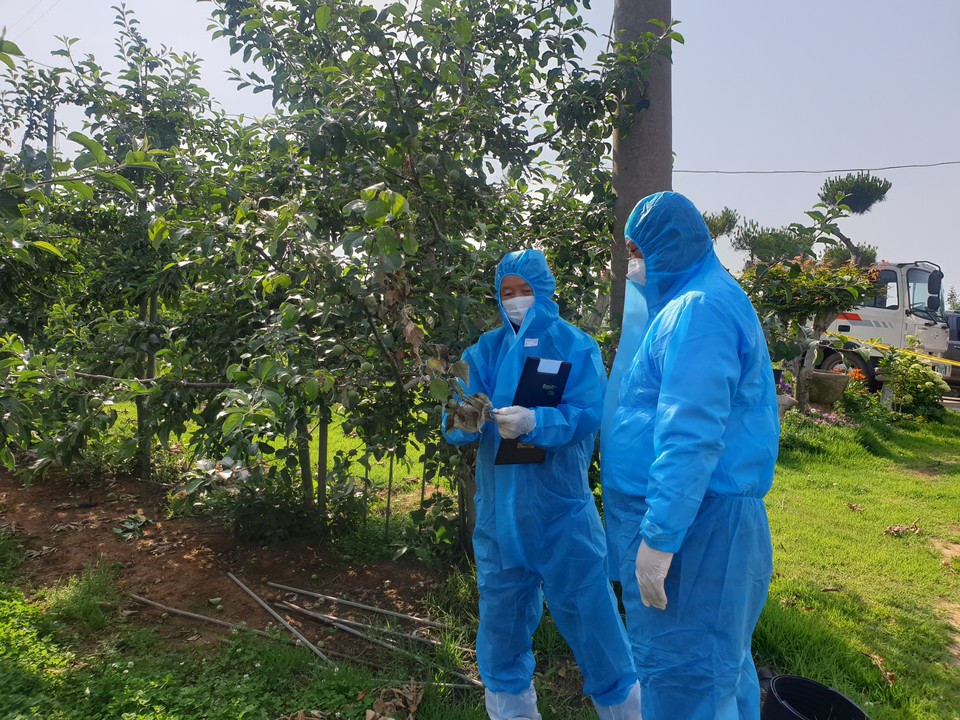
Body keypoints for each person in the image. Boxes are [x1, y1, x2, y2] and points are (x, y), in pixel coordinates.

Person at [443, 249, 643, 720]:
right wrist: (465, 421)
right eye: (506, 292)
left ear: (544, 292)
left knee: (593, 620)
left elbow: (588, 414)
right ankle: (511, 712)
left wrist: (537, 421)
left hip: (560, 513)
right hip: (499, 519)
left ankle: (628, 711)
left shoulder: (575, 346)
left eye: (524, 291)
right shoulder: (484, 350)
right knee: (501, 625)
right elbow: (452, 417)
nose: (515, 300)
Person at [601, 192, 779, 720]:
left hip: (697, 529)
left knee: (689, 682)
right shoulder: (691, 302)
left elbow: (690, 432)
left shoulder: (697, 309)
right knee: (716, 673)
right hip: (698, 524)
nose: (631, 264)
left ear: (666, 245)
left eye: (636, 250)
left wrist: (659, 538)